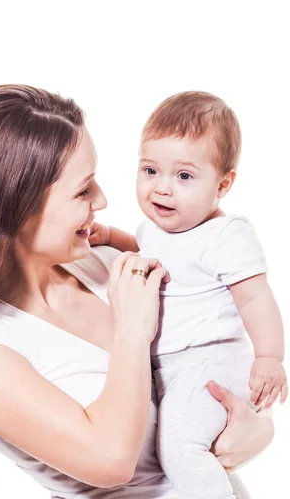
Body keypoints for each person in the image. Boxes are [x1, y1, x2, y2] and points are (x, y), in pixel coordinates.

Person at [0, 85, 274, 499]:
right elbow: (110, 461)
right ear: (15, 206)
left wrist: (259, 430)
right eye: (83, 190)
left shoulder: (104, 265)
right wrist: (131, 334)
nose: (103, 200)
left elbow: (207, 354)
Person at [90, 91, 286, 499]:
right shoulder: (156, 228)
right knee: (187, 455)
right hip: (171, 369)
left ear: (223, 184)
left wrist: (270, 357)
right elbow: (142, 247)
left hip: (210, 359)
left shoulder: (225, 235)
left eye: (183, 176)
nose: (162, 189)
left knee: (180, 445)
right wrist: (110, 236)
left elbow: (256, 299)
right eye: (150, 170)